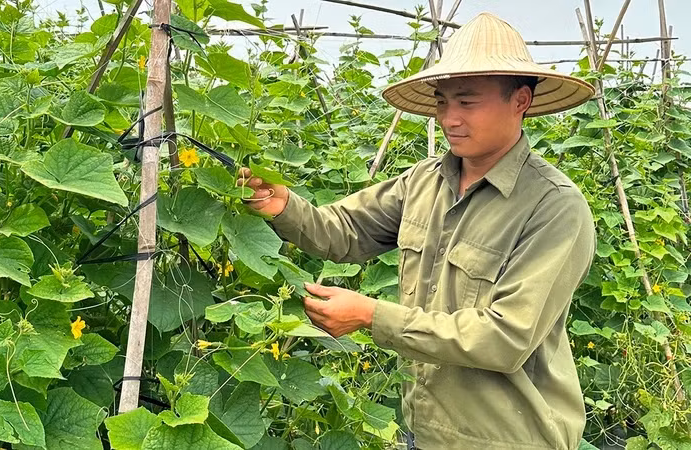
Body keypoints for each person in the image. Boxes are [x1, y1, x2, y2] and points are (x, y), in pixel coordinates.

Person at [239, 12, 596, 450]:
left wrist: (372, 316)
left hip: (508, 440)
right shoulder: (425, 181)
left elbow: (506, 337)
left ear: (520, 100)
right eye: (443, 103)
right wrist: (283, 206)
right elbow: (345, 230)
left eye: (467, 103)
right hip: (424, 430)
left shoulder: (554, 206)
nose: (449, 119)